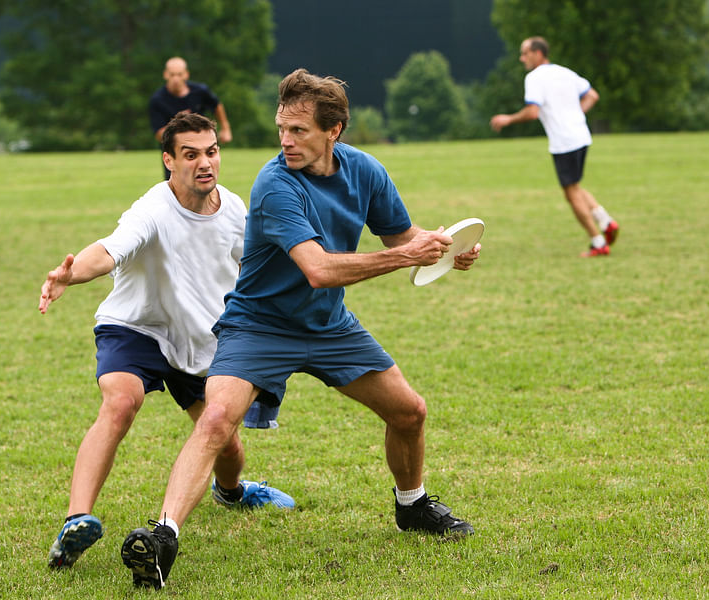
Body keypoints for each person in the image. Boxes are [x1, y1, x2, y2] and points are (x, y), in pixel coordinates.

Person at [120, 68, 481, 590]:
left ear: (334, 131)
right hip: (258, 326)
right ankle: (163, 536)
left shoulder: (365, 171)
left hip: (327, 324)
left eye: (300, 131)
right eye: (281, 129)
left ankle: (413, 506)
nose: (285, 141)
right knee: (217, 418)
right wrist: (404, 256)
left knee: (410, 411)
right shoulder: (275, 183)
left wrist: (446, 246)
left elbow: (403, 234)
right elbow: (320, 268)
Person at [40, 113, 293, 572]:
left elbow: (268, 263)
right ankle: (76, 521)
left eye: (211, 152)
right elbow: (110, 249)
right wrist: (70, 274)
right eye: (191, 154)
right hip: (137, 326)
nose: (204, 163)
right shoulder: (153, 208)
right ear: (169, 160)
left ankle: (233, 492)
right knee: (120, 402)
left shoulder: (236, 211)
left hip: (197, 339)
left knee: (227, 444)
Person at [490, 36, 619, 257]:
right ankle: (606, 222)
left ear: (538, 53)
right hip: (581, 135)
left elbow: (532, 112)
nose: (522, 58)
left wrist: (508, 120)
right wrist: (575, 115)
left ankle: (598, 242)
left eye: (525, 53)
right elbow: (592, 95)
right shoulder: (564, 72)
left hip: (564, 141)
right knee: (575, 186)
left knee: (571, 194)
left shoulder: (534, 78)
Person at [149, 57, 233, 179]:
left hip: (202, 147)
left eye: (179, 74)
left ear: (186, 75)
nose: (176, 79)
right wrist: (181, 124)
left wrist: (225, 128)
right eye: (172, 75)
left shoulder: (200, 91)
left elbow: (216, 105)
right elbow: (159, 134)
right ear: (165, 75)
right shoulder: (158, 100)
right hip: (176, 151)